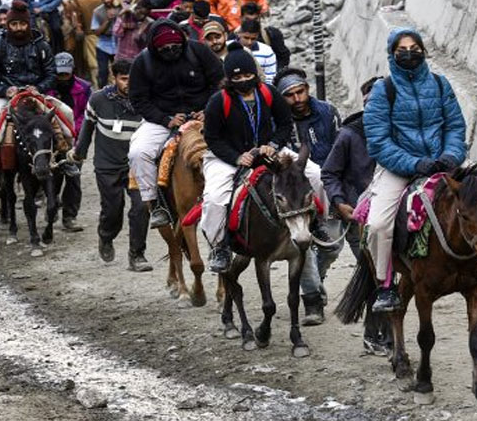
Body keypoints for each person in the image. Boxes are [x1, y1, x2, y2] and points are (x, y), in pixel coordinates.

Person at [364, 28, 467, 312]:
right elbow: (378, 141)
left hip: (442, 162)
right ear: (392, 54)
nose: (409, 53)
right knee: (378, 225)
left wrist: (451, 155)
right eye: (402, 49)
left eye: (415, 47)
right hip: (398, 168)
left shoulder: (440, 84)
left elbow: (455, 126)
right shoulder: (382, 90)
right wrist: (413, 164)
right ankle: (384, 286)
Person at [201, 41, 294, 272]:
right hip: (227, 157)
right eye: (237, 77)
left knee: (311, 172)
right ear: (228, 79)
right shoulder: (218, 101)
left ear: (255, 73)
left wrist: (273, 144)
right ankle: (219, 246)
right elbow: (212, 138)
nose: (243, 80)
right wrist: (236, 157)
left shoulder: (268, 93)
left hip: (266, 152)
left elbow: (285, 124)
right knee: (215, 198)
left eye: (247, 74)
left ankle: (316, 224)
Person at [127, 20, 224, 228]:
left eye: (175, 47)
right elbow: (138, 100)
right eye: (165, 49)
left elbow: (220, 82)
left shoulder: (199, 52)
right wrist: (166, 119)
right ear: (155, 47)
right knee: (138, 152)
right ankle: (155, 204)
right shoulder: (142, 63)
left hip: (204, 114)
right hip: (162, 119)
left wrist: (209, 109)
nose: (171, 51)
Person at [322, 76, 388, 352]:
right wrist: (339, 202)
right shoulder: (350, 135)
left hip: (392, 207)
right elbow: (329, 172)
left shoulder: (399, 130)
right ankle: (374, 334)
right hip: (358, 213)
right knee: (374, 272)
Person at [275, 68, 340, 325]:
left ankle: (317, 281)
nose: (297, 99)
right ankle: (312, 301)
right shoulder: (279, 119)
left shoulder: (327, 111)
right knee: (302, 247)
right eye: (289, 95)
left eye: (300, 91)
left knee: (332, 246)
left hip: (330, 187)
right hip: (296, 194)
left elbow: (340, 144)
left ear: (307, 89)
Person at [75, 58, 151, 271]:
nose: (129, 83)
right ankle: (106, 236)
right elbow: (87, 128)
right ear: (114, 78)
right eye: (124, 79)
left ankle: (137, 255)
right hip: (107, 164)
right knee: (113, 209)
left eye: (133, 78)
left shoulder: (146, 100)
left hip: (136, 166)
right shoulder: (99, 100)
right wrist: (79, 153)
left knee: (141, 207)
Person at [0, 1, 57, 187]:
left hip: (35, 94)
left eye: (22, 24)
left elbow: (51, 74)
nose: (18, 28)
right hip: (6, 96)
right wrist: (5, 90)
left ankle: (68, 157)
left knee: (66, 114)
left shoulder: (41, 46)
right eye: (14, 24)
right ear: (7, 25)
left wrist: (39, 88)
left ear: (28, 24)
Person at [49, 52, 91, 233]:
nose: (62, 78)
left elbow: (87, 113)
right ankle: (51, 210)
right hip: (53, 137)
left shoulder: (84, 87)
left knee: (74, 177)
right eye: (59, 74)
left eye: (65, 74)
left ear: (72, 71)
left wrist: (75, 132)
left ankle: (70, 216)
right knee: (54, 176)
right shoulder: (47, 88)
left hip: (77, 138)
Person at [240, 1, 291, 70]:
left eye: (255, 19)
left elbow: (283, 57)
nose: (252, 23)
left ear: (260, 18)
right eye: (247, 19)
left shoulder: (271, 34)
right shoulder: (233, 37)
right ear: (241, 18)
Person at [90, 0, 121, 87]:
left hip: (119, 45)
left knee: (120, 72)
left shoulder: (122, 7)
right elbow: (96, 32)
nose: (106, 1)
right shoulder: (97, 11)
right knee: (103, 73)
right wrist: (107, 20)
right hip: (103, 46)